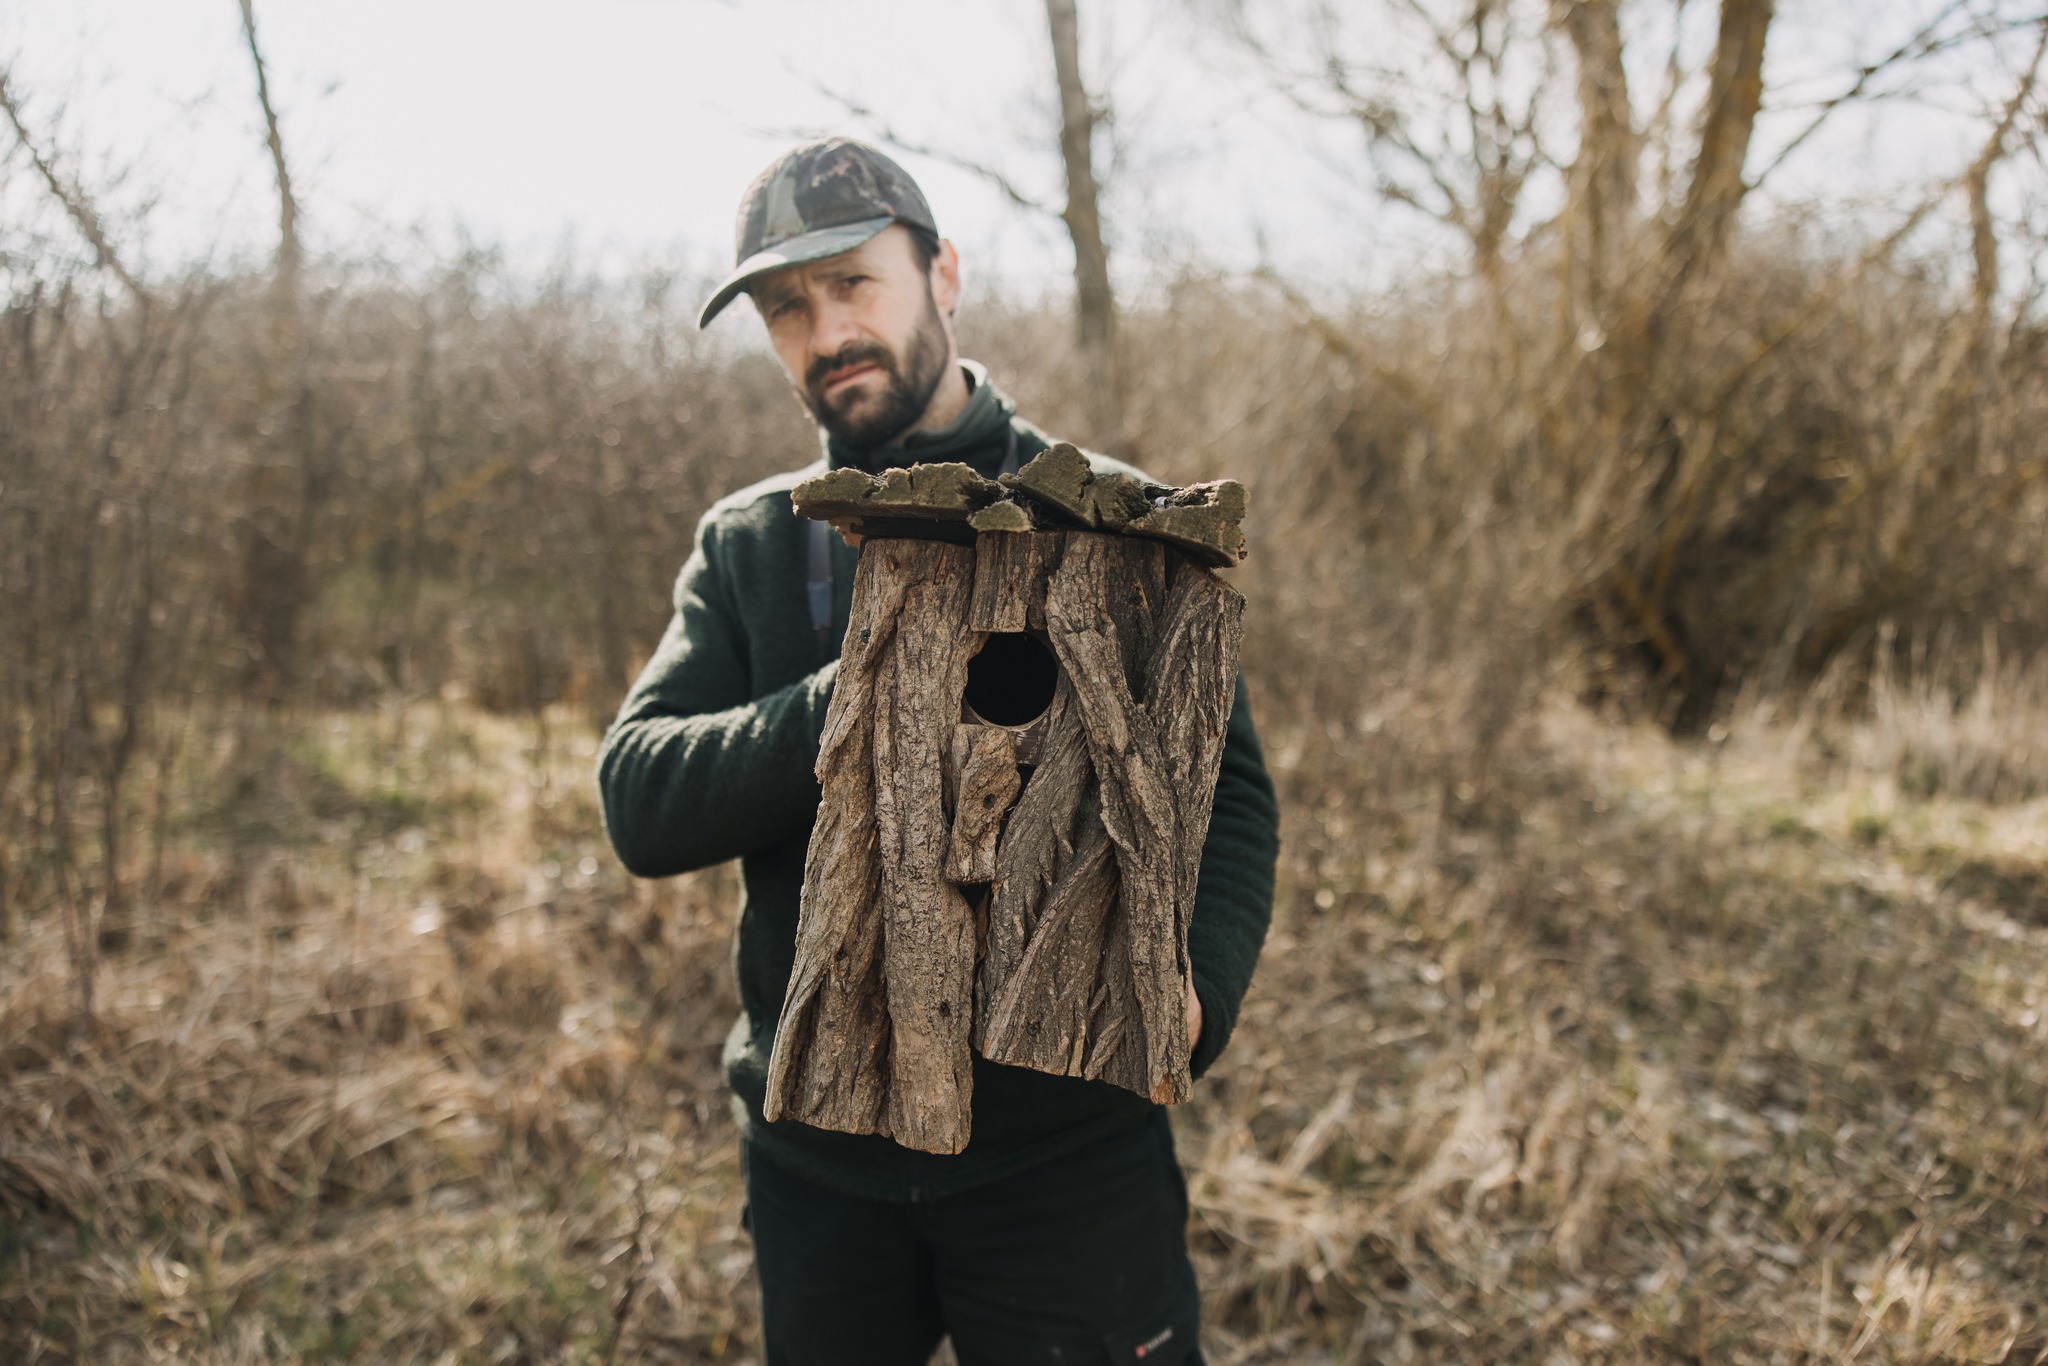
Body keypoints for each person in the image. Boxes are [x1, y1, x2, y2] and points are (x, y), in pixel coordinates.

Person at [597, 138, 1279, 1366]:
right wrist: (858, 692)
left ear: (942, 273)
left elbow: (1227, 790)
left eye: (854, 283)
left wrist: (1199, 991)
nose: (824, 331)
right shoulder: (751, 546)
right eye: (786, 308)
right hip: (820, 1169)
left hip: (1065, 1150)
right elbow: (639, 798)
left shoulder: (1116, 519)